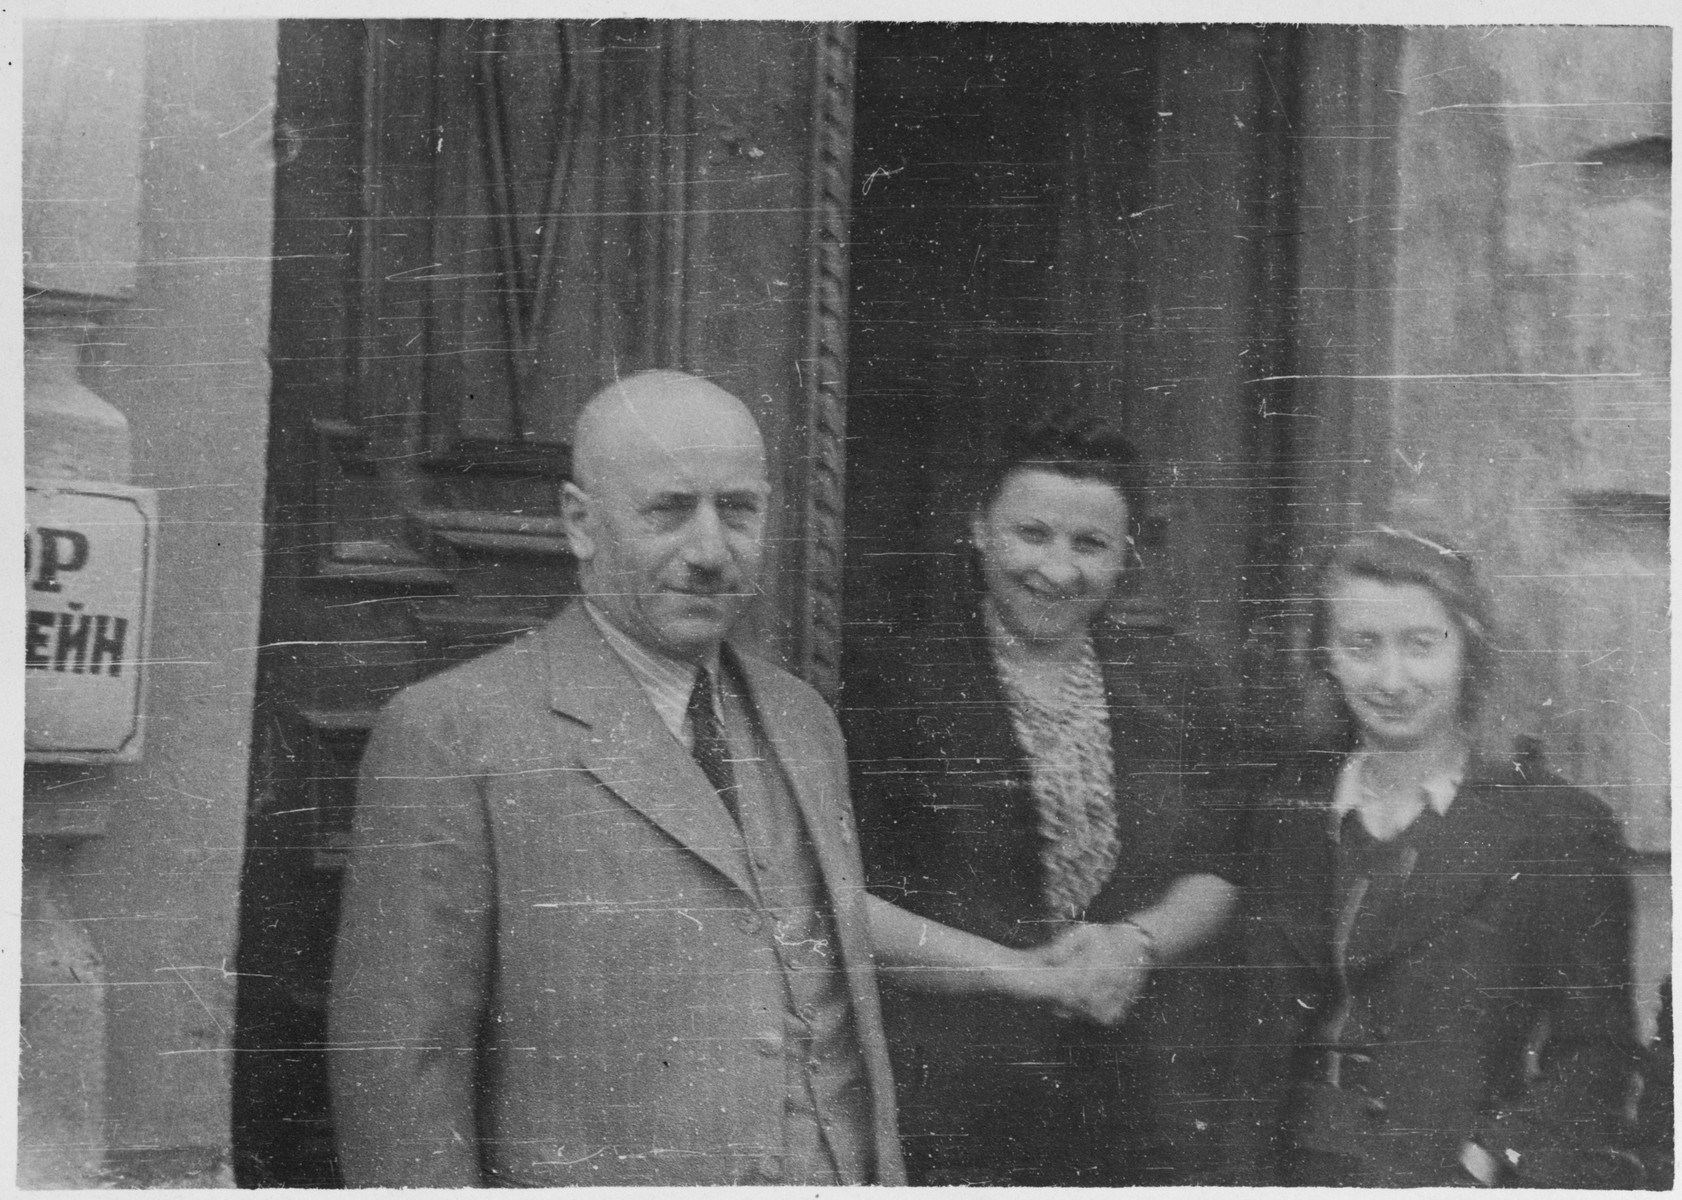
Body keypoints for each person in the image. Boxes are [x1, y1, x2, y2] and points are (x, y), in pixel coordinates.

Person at [326, 370, 1138, 1187]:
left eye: (739, 510)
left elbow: (825, 927)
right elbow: (400, 1078)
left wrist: (1025, 973)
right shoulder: (453, 733)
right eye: (669, 510)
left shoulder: (802, 719)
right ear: (579, 522)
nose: (710, 551)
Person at [843, 413, 1252, 1185]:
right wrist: (1024, 973)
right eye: (1032, 533)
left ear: (1125, 556)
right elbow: (845, 900)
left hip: (1136, 1107)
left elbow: (1219, 866)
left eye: (1090, 545)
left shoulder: (1176, 680)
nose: (1057, 570)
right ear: (979, 529)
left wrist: (1136, 942)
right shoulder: (892, 680)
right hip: (954, 1106)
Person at [1235, 527, 1643, 1187]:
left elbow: (1596, 1056)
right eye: (1362, 645)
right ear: (1327, 657)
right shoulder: (1288, 814)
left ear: (1468, 651)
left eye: (1421, 645)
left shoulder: (1555, 827)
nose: (1392, 679)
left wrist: (1487, 1160)